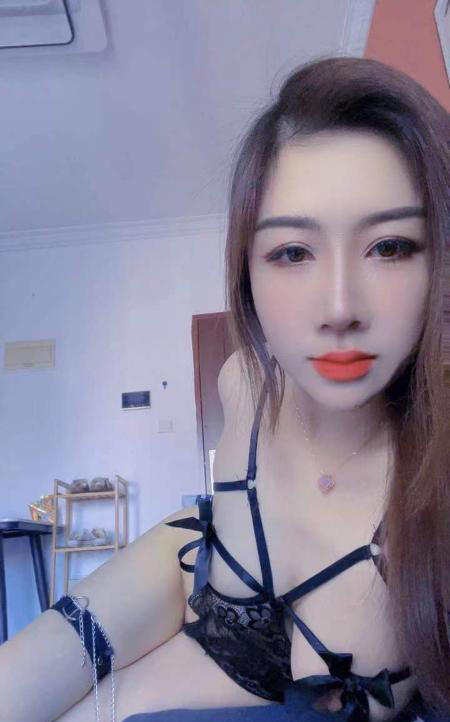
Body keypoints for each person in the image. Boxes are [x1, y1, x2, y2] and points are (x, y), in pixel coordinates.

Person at [0, 55, 448, 722]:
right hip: (185, 571)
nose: (339, 308)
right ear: (247, 275)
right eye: (292, 252)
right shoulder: (240, 380)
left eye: (389, 247)